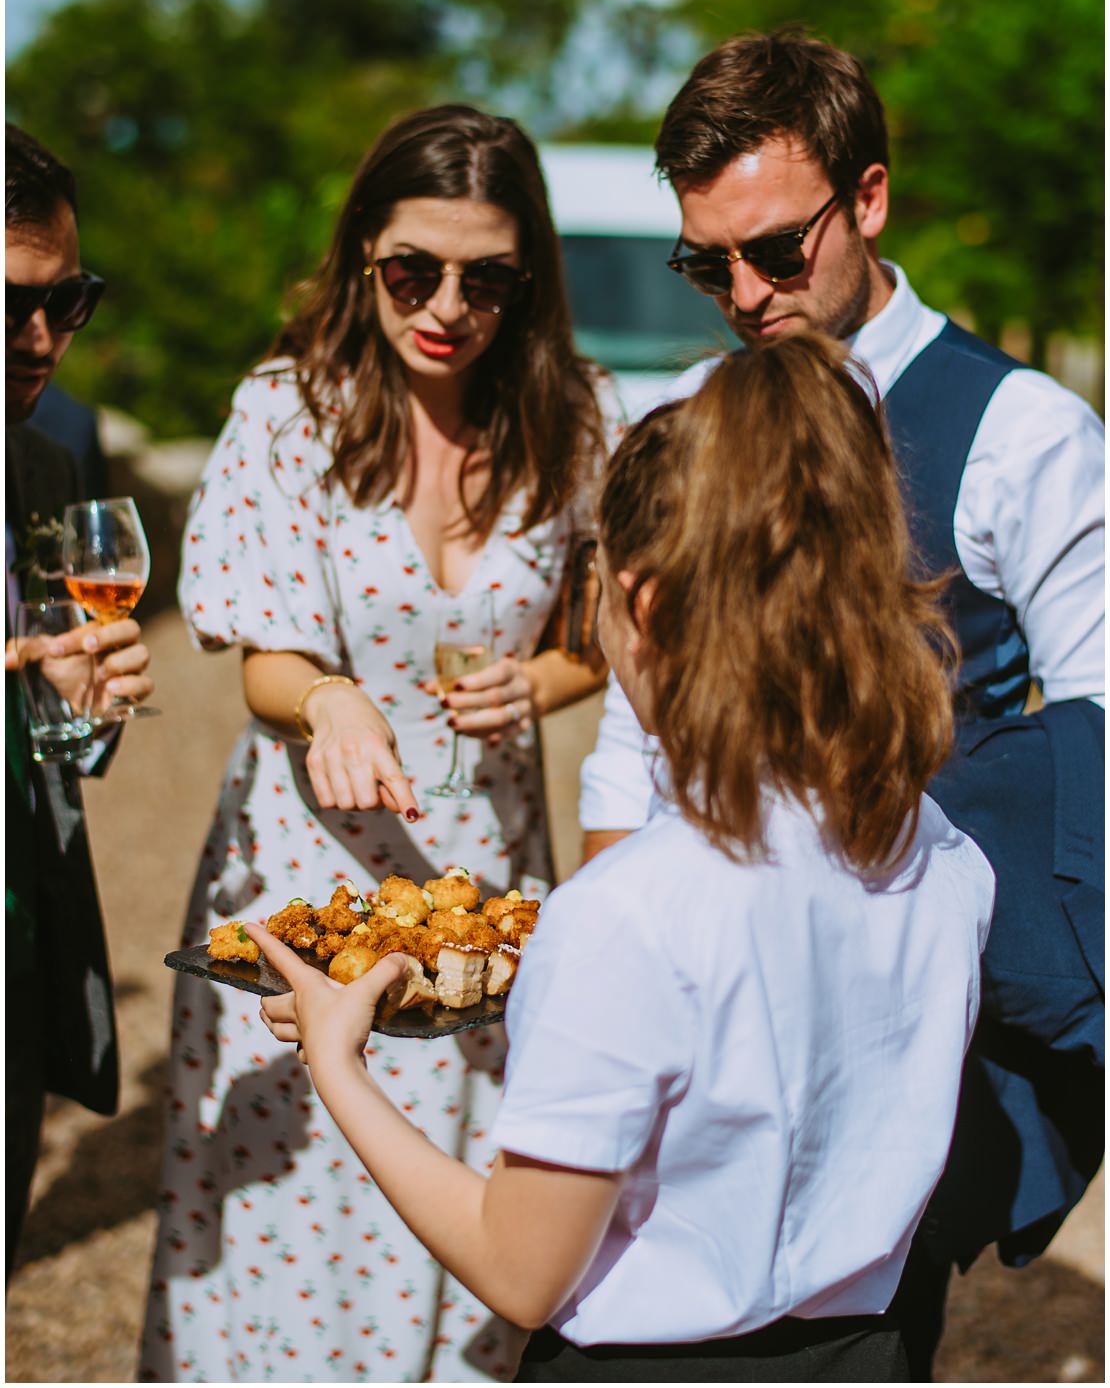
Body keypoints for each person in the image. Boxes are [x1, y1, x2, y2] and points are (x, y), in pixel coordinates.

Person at [247, 336, 996, 1384]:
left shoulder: (628, 913)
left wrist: (339, 1059)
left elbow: (522, 1269)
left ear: (639, 603)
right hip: (873, 1353)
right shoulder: (943, 854)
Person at [576, 31, 1104, 1376]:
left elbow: (1099, 717)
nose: (743, 295)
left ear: (865, 200)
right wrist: (602, 925)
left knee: (850, 1329)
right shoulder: (691, 412)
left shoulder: (1024, 432)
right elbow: (637, 716)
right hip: (696, 972)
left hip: (894, 992)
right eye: (707, 264)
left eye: (772, 251)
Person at [141, 105, 621, 1384]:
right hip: (307, 872)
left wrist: (544, 682)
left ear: (530, 279)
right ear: (365, 253)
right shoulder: (289, 410)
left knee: (466, 1206)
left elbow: (605, 629)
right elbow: (261, 656)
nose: (448, 305)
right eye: (415, 268)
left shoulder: (578, 416)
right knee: (290, 1207)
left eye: (488, 277)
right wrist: (332, 699)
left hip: (487, 893)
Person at [5, 122, 155, 1277]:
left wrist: (78, 706)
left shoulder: (47, 465)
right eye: (10, 303)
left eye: (71, 299)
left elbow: (45, 721)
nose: (44, 339)